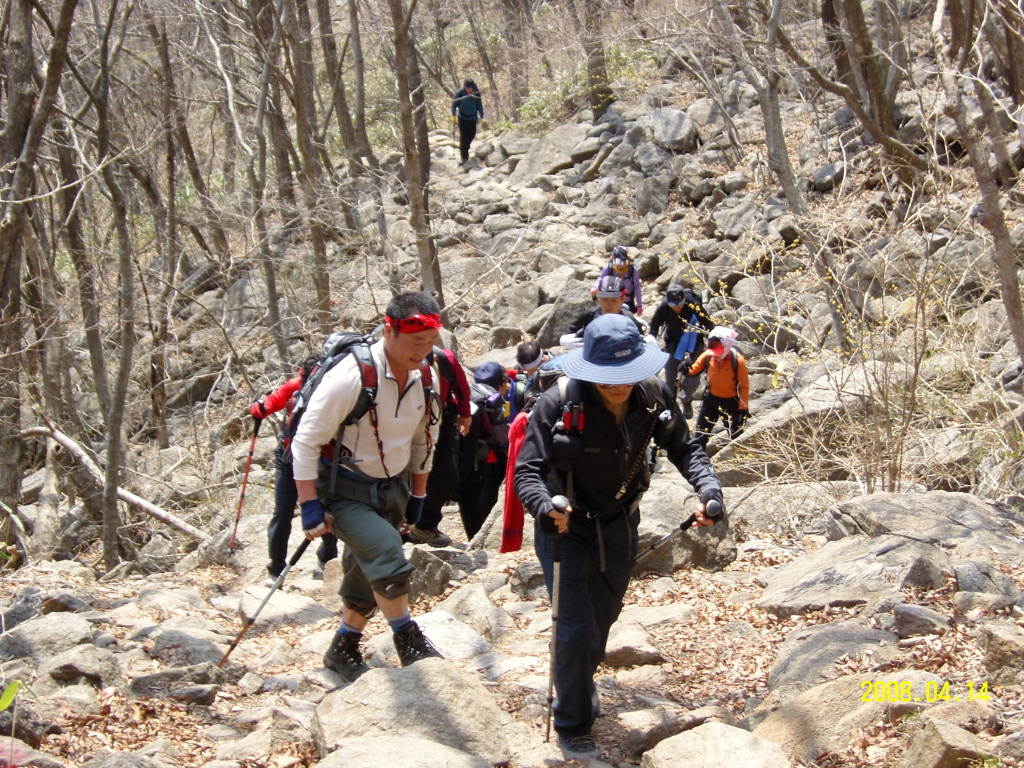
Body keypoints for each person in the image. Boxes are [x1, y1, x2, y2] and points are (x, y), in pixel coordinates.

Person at [514, 313, 723, 759]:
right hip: (564, 526)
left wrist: (708, 489)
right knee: (572, 628)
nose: (617, 385)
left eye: (625, 375)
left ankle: (579, 683)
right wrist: (545, 506)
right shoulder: (557, 403)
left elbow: (685, 447)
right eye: (607, 376)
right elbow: (527, 472)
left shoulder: (653, 397)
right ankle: (573, 722)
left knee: (602, 621)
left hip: (620, 524)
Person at [290, 292, 443, 682]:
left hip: (393, 487)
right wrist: (309, 505)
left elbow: (423, 439)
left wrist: (419, 496)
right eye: (415, 342)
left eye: (429, 343)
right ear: (389, 329)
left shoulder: (426, 374)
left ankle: (344, 646)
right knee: (386, 554)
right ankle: (408, 638)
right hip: (343, 490)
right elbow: (305, 441)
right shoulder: (352, 376)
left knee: (363, 570)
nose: (422, 351)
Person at [250, 359, 340, 585]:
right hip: (288, 455)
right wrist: (260, 408)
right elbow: (271, 402)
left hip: (321, 456)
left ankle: (327, 559)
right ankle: (276, 569)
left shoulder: (335, 387)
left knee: (326, 507)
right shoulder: (294, 386)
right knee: (282, 512)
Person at [408, 347, 473, 547]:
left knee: (448, 475)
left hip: (440, 420)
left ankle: (424, 524)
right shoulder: (394, 362)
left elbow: (461, 387)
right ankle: (402, 525)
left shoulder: (446, 360)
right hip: (405, 423)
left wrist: (465, 414)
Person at [457, 361, 510, 539]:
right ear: (502, 382)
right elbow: (503, 437)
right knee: (483, 494)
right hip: (483, 459)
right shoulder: (496, 401)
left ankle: (471, 536)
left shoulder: (468, 392)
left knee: (466, 497)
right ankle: (480, 538)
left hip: (458, 455)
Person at [648, 284, 715, 418]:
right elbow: (654, 326)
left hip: (694, 343)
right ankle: (670, 406)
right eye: (673, 305)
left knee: (692, 380)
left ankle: (686, 399)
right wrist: (651, 339)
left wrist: (713, 342)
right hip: (673, 343)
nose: (677, 307)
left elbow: (708, 324)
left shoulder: (693, 304)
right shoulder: (664, 307)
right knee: (670, 377)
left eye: (679, 304)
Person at [687, 325, 750, 447]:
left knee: (736, 437)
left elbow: (744, 386)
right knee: (699, 437)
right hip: (711, 401)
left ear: (727, 347)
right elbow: (694, 369)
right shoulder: (708, 355)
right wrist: (686, 368)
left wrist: (743, 409)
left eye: (718, 353)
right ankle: (699, 463)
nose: (715, 356)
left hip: (732, 404)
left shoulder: (737, 360)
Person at [560, 275, 643, 349]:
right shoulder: (590, 314)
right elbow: (569, 332)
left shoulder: (629, 319)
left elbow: (642, 340)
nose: (609, 304)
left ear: (623, 299)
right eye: (604, 299)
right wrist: (564, 340)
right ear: (598, 297)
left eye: (614, 300)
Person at [508, 340, 552, 420]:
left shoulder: (553, 372)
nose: (525, 372)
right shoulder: (523, 364)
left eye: (530, 371)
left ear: (542, 361)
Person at [593, 246, 643, 315]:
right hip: (612, 301)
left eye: (621, 263)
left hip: (628, 301)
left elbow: (637, 287)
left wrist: (639, 305)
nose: (619, 266)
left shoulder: (632, 270)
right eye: (617, 263)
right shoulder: (608, 268)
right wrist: (595, 288)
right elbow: (600, 279)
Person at [451, 78, 485, 165]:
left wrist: (481, 116)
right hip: (462, 117)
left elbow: (479, 105)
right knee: (463, 137)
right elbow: (454, 104)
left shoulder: (476, 93)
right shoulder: (460, 93)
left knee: (471, 135)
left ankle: (465, 148)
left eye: (471, 88)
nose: (469, 90)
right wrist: (453, 115)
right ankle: (464, 157)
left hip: (473, 118)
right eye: (467, 89)